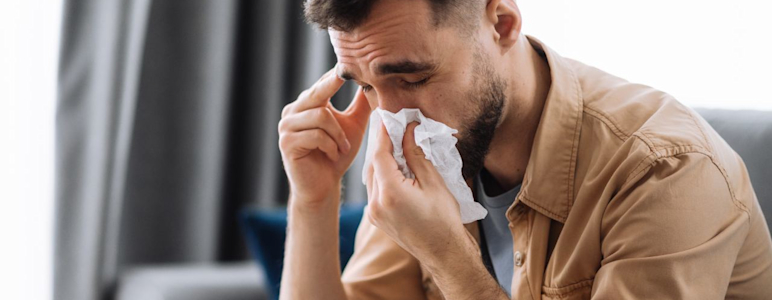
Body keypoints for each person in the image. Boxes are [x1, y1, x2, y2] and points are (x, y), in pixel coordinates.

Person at [276, 0, 772, 298]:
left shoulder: (665, 171)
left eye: (413, 77)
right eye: (364, 85)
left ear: (503, 23)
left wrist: (448, 258)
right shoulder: (430, 147)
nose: (392, 116)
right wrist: (314, 199)